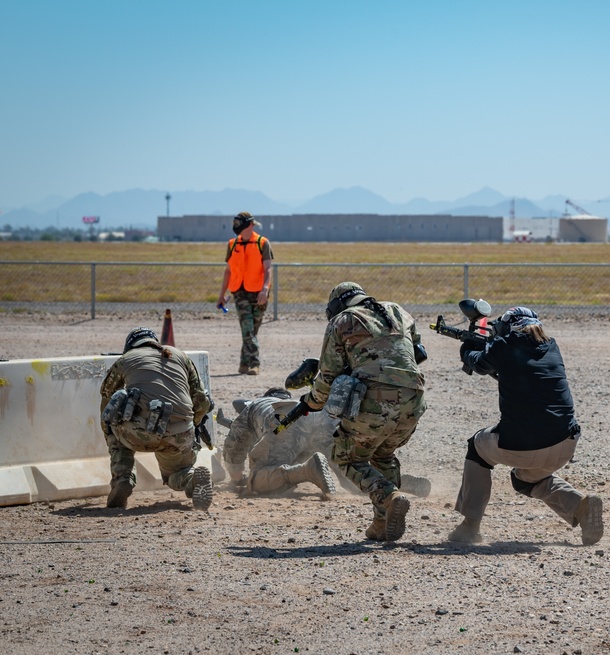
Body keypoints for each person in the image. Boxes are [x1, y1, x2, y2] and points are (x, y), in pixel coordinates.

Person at [448, 306, 604, 546]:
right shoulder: (551, 346)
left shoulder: (504, 346)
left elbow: (477, 364)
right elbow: (524, 371)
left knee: (476, 448)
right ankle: (580, 506)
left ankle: (469, 526)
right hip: (565, 443)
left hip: (524, 445)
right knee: (524, 479)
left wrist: (468, 345)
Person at [297, 282, 427, 542]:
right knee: (384, 454)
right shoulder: (398, 312)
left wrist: (310, 402)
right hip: (414, 402)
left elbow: (328, 378)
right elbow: (417, 353)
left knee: (345, 456)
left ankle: (389, 496)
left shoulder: (342, 321)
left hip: (374, 402)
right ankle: (382, 523)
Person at [217, 388, 432, 500]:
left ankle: (307, 471)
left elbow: (233, 449)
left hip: (286, 422)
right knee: (350, 478)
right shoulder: (292, 400)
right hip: (319, 418)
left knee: (255, 480)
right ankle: (394, 483)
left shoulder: (256, 405)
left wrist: (237, 478)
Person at [99, 327, 214, 510]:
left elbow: (106, 395)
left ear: (130, 346)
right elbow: (202, 401)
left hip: (135, 434)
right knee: (176, 473)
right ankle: (192, 480)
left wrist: (109, 430)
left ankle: (123, 479)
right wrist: (193, 425)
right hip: (179, 433)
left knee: (110, 420)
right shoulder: (181, 356)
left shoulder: (126, 360)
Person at [217, 211, 273, 375]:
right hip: (239, 292)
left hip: (259, 293)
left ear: (249, 224)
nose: (235, 226)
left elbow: (268, 269)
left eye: (238, 223)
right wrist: (222, 295)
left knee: (252, 330)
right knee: (248, 329)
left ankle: (243, 362)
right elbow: (228, 271)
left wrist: (265, 289)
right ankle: (254, 364)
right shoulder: (232, 244)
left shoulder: (262, 243)